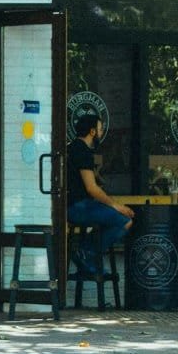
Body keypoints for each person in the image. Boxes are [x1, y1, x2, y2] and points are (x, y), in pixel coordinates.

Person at [67, 114, 134, 276]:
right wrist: (117, 206)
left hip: (74, 205)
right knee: (125, 221)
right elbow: (92, 189)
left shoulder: (73, 147)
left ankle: (86, 253)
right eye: (100, 129)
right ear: (92, 132)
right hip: (78, 207)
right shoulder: (83, 151)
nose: (102, 132)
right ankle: (86, 252)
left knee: (111, 220)